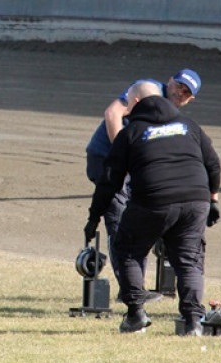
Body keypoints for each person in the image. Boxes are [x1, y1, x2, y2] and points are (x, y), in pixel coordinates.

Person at [85, 81, 221, 336]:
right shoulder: (189, 126)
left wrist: (94, 217)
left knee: (128, 250)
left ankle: (136, 314)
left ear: (136, 103)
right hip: (195, 200)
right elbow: (213, 164)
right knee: (188, 260)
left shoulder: (131, 132)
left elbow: (109, 181)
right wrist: (213, 200)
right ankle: (193, 320)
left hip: (153, 200)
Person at [84, 69, 201, 291]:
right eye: (179, 85)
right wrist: (123, 155)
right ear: (170, 80)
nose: (180, 92)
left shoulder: (172, 115)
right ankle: (129, 289)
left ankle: (138, 286)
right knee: (118, 217)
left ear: (190, 99)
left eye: (186, 92)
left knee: (140, 219)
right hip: (105, 157)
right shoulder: (148, 89)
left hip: (135, 166)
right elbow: (112, 113)